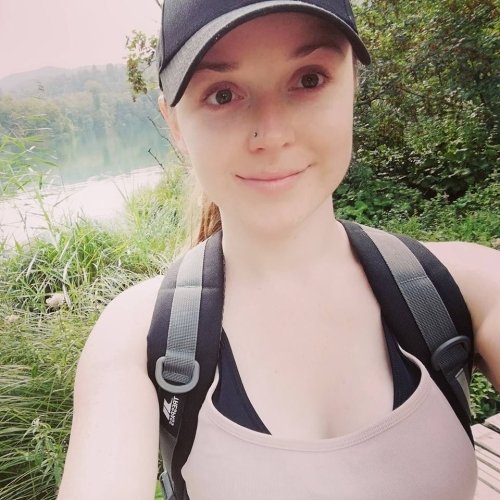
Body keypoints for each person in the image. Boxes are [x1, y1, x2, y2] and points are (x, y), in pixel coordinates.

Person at [57, 1, 500, 499]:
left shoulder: (466, 285)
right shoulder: (139, 336)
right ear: (175, 124)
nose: (271, 134)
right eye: (222, 94)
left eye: (309, 80)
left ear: (352, 86)